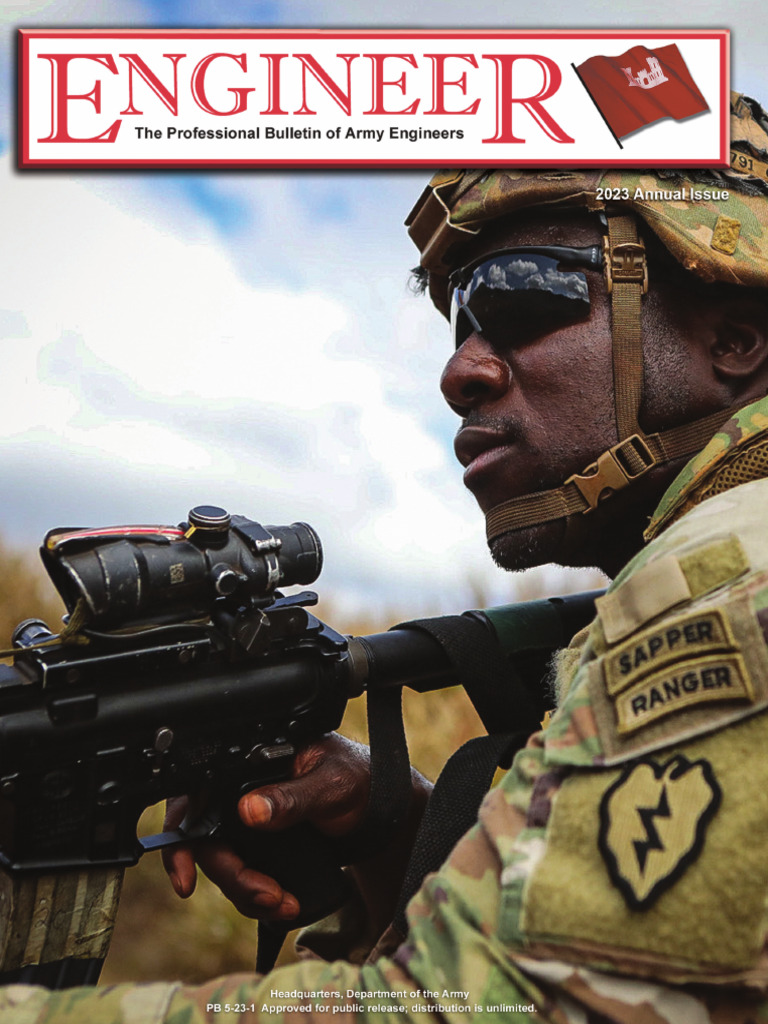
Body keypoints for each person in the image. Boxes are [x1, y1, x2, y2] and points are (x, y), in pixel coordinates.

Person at [4, 92, 768, 1022]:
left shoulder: (734, 576)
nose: (460, 371)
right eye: (460, 320)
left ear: (735, 339)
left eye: (523, 295)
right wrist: (397, 829)